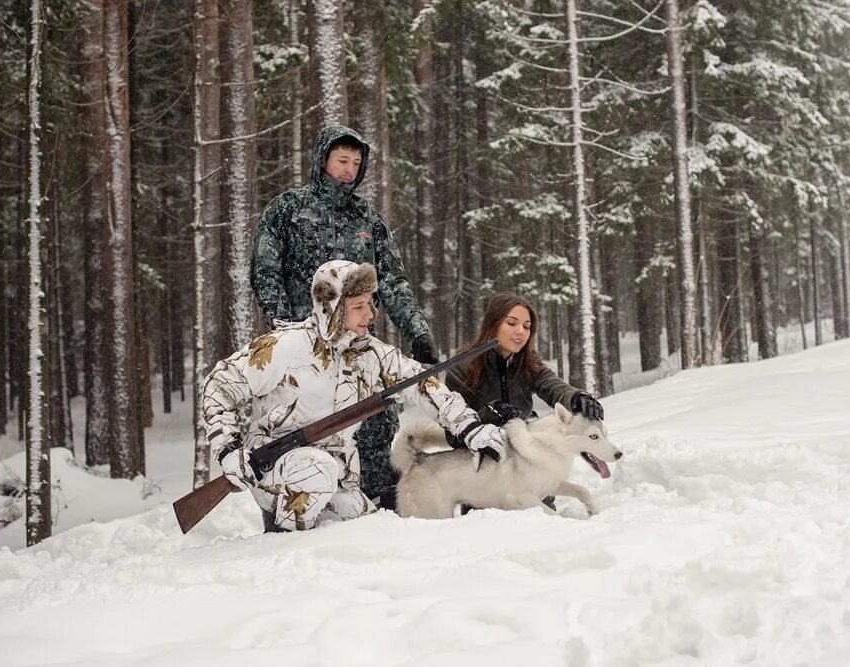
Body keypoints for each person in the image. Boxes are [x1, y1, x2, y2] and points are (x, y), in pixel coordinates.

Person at [202, 260, 506, 533]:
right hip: (274, 470)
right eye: (359, 306)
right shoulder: (285, 347)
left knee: (370, 535)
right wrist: (229, 449)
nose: (370, 314)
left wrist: (470, 427)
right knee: (318, 471)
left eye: (370, 303)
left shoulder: (370, 353)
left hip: (338, 476)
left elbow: (423, 384)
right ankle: (283, 547)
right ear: (332, 307)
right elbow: (219, 385)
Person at [250, 125, 439, 509]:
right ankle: (296, 509)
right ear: (322, 160)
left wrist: (416, 330)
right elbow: (264, 269)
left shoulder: (366, 218)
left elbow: (392, 280)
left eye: (356, 162)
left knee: (375, 421)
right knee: (303, 430)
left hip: (357, 344)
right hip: (305, 348)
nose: (349, 170)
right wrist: (282, 324)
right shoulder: (288, 209)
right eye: (342, 161)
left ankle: (380, 508)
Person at [445, 294, 605, 509]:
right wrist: (486, 415)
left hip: (531, 471)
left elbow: (551, 385)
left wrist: (576, 397)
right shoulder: (462, 366)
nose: (521, 331)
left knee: (544, 531)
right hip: (486, 478)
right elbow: (452, 432)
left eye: (527, 326)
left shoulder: (528, 361)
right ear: (493, 324)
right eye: (512, 323)